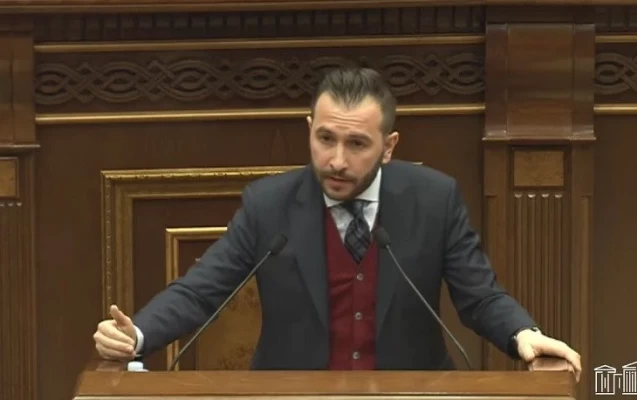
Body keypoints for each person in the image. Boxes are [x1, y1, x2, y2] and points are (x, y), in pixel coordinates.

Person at [93, 66, 581, 380]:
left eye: (357, 144)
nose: (337, 161)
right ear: (309, 130)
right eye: (325, 139)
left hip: (410, 393)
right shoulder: (269, 205)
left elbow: (480, 296)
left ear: (389, 146)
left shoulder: (434, 200)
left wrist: (523, 334)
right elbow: (201, 290)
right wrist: (137, 335)